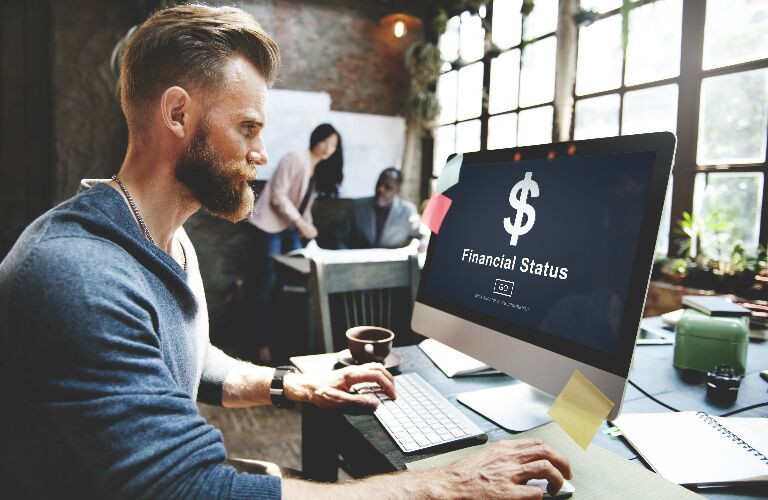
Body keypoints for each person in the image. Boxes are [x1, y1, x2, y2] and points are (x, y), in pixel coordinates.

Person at [0, 4, 571, 499]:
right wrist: (443, 486)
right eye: (247, 128)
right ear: (177, 114)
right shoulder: (78, 275)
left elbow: (193, 361)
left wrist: (291, 385)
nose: (261, 153)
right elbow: (193, 489)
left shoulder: (166, 238)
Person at [247, 123, 340, 360]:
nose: (328, 148)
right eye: (326, 141)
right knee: (267, 284)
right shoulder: (295, 158)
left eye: (333, 145)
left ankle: (286, 340)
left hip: (289, 228)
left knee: (297, 281)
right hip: (269, 226)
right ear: (316, 139)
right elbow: (278, 196)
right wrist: (300, 223)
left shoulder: (317, 169)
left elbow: (303, 206)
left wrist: (308, 226)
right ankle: (261, 344)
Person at [337, 167, 422, 249]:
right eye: (379, 183)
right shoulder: (357, 205)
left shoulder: (407, 210)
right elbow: (340, 237)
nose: (380, 189)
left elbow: (421, 236)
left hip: (392, 258)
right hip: (358, 257)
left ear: (398, 190)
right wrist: (346, 255)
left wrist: (417, 248)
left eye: (387, 187)